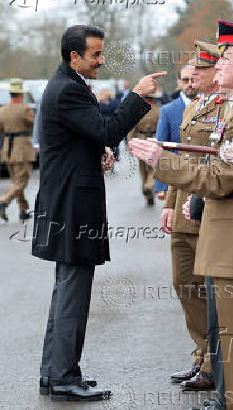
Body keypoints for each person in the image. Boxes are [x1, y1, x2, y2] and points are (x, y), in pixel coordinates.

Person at [129, 20, 233, 410]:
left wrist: (161, 161)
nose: (218, 66)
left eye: (227, 58)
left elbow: (221, 178)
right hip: (231, 235)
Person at [32, 24, 166, 402]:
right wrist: (137, 97)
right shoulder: (70, 88)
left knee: (66, 291)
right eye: (95, 54)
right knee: (73, 293)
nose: (102, 60)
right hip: (72, 206)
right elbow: (108, 129)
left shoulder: (65, 84)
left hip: (67, 201)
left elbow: (87, 134)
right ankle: (62, 378)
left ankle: (56, 373)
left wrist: (95, 150)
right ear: (74, 56)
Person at [166, 41, 224, 393]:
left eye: (198, 71)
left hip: (207, 209)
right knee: (184, 283)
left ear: (215, 72)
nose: (192, 78)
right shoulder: (194, 107)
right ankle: (201, 353)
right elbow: (184, 162)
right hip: (183, 208)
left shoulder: (224, 109)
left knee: (212, 291)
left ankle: (212, 364)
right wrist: (170, 202)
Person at [154, 65, 197, 200]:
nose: (190, 84)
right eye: (185, 80)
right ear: (178, 83)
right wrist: (161, 186)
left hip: (203, 176)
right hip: (176, 177)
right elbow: (161, 147)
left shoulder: (210, 106)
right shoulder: (167, 110)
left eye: (193, 80)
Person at [0, 78, 35, 222]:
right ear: (20, 94)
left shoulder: (2, 110)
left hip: (8, 148)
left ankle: (23, 210)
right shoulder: (25, 109)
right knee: (22, 181)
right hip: (22, 148)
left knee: (16, 180)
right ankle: (3, 201)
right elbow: (34, 124)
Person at [128, 91, 160, 205]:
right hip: (154, 139)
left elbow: (131, 129)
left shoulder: (137, 111)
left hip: (141, 140)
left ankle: (146, 190)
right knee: (153, 167)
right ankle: (149, 186)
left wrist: (130, 144)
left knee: (143, 169)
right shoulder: (159, 110)